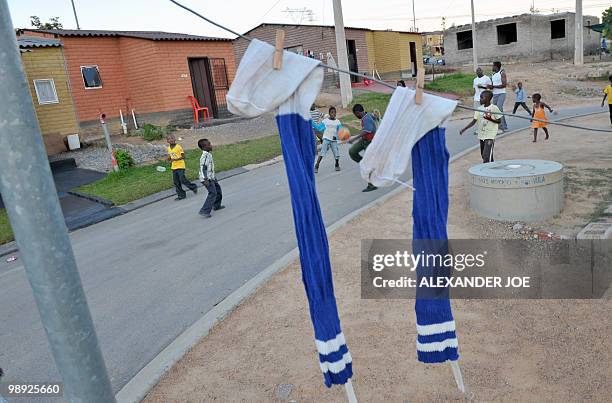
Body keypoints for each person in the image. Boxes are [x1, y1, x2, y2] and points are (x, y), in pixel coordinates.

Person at [459, 90, 502, 163]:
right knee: (484, 155)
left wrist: (490, 119)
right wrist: (464, 129)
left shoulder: (494, 108)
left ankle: (486, 171)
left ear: (488, 99)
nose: (480, 99)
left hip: (490, 135)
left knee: (486, 156)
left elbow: (499, 121)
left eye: (482, 98)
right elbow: (473, 121)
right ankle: (492, 166)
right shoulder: (479, 109)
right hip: (481, 135)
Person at [348, 104, 378, 192]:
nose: (355, 116)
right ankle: (364, 164)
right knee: (352, 152)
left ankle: (372, 184)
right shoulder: (366, 116)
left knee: (369, 163)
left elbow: (366, 131)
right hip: (364, 140)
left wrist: (354, 138)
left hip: (370, 142)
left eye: (355, 114)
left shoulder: (366, 118)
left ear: (357, 112)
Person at [198, 138, 224, 217]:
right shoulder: (204, 156)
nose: (211, 145)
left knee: (218, 190)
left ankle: (216, 205)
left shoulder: (208, 154)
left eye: (210, 143)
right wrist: (205, 180)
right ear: (203, 148)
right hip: (206, 179)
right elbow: (203, 168)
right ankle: (204, 210)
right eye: (208, 145)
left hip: (211, 177)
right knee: (212, 193)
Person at [167, 134, 197, 200]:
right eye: (169, 139)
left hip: (180, 166)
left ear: (175, 139)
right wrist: (169, 158)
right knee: (176, 182)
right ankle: (181, 195)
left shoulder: (178, 147)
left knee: (182, 179)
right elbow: (171, 155)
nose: (171, 140)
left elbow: (183, 156)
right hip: (174, 167)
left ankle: (193, 187)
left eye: (172, 138)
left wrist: (174, 159)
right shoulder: (169, 148)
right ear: (167, 141)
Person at [313, 106, 342, 173]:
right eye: (332, 112)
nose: (333, 114)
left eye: (335, 112)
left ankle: (337, 164)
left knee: (336, 153)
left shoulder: (338, 122)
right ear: (329, 113)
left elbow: (340, 131)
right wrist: (311, 122)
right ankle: (317, 165)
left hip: (333, 140)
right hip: (326, 139)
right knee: (322, 153)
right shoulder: (325, 121)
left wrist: (337, 137)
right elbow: (319, 127)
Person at [488, 61, 508, 132]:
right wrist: (489, 86)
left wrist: (493, 86)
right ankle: (503, 126)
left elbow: (504, 85)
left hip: (501, 93)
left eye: (493, 66)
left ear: (496, 66)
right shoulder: (493, 75)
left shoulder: (502, 73)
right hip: (495, 94)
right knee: (496, 110)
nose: (492, 67)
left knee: (499, 109)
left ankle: (501, 127)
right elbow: (492, 86)